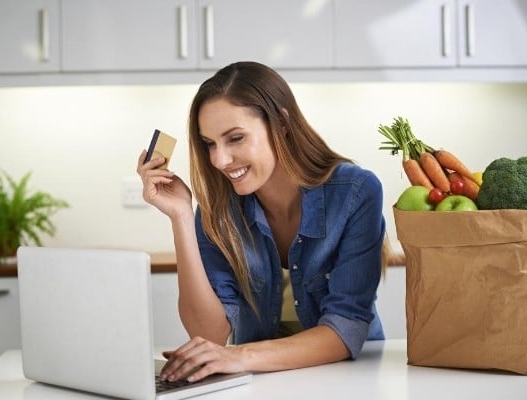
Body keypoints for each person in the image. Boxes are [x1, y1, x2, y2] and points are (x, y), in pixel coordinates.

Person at [137, 61, 389, 383]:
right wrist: (182, 216)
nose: (219, 160)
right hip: (262, 383)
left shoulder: (356, 192)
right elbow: (209, 333)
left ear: (280, 123)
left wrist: (238, 356)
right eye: (210, 144)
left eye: (236, 138)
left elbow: (346, 329)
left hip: (351, 379)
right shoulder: (220, 208)